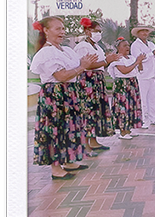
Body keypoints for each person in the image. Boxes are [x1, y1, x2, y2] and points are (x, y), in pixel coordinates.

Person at [30, 16, 97, 179]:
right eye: (58, 29)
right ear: (46, 31)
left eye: (63, 28)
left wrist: (83, 64)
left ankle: (68, 161)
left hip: (68, 93)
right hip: (55, 95)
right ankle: (56, 169)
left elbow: (72, 70)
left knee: (69, 128)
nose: (62, 32)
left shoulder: (64, 50)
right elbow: (61, 76)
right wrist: (82, 67)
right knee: (56, 129)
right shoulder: (47, 53)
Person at [74, 17, 120, 154]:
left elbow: (101, 63)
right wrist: (106, 60)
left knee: (96, 111)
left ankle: (93, 141)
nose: (98, 34)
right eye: (96, 31)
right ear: (87, 31)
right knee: (88, 111)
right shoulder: (82, 46)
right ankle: (85, 145)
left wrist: (107, 60)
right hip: (88, 80)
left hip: (97, 80)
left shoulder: (97, 47)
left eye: (100, 31)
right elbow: (86, 64)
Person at [107, 38, 146, 140]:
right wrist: (137, 62)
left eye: (128, 45)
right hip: (123, 85)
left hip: (132, 83)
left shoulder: (131, 58)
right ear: (118, 47)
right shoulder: (118, 59)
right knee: (123, 107)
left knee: (132, 106)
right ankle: (123, 131)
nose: (127, 48)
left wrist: (139, 61)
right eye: (124, 46)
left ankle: (129, 129)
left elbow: (140, 69)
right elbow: (124, 70)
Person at [130, 24, 155, 129]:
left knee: (153, 98)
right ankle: (142, 120)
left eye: (146, 31)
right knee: (143, 99)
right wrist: (153, 53)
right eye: (142, 31)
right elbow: (140, 59)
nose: (145, 33)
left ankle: (154, 118)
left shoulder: (150, 44)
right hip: (142, 75)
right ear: (138, 33)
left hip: (152, 75)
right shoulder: (135, 45)